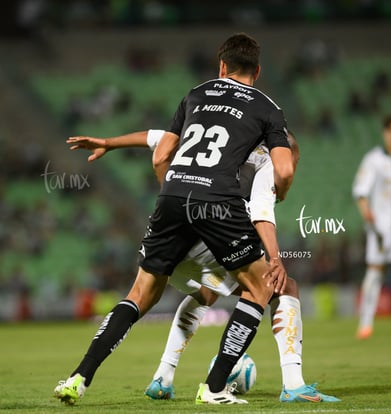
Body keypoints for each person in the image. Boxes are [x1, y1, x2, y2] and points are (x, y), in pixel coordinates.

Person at [54, 32, 295, 406]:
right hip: (217, 200)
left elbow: (161, 153)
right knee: (261, 286)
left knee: (139, 295)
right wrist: (283, 187)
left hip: (172, 194)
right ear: (258, 71)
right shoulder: (267, 108)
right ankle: (214, 387)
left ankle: (78, 377)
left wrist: (174, 193)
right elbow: (283, 167)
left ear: (221, 67)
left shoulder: (196, 95)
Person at [65, 129, 339, 403]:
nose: (291, 171)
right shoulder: (265, 160)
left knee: (172, 294)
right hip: (215, 229)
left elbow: (159, 145)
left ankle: (134, 376)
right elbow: (261, 213)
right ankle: (289, 383)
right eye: (293, 162)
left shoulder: (213, 132)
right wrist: (275, 258)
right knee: (278, 285)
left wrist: (109, 143)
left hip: (171, 222)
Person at [353, 114, 391, 340]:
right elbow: (361, 191)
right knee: (374, 273)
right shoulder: (374, 159)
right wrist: (367, 214)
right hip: (382, 226)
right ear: (385, 134)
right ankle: (365, 323)